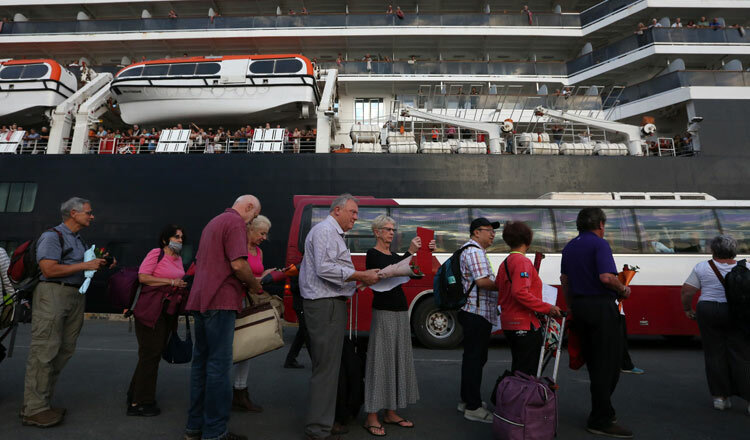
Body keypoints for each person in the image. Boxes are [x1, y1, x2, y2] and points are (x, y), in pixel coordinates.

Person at [21, 197, 114, 427]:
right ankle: (33, 409)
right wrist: (85, 266)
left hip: (73, 295)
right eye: (89, 213)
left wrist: (100, 263)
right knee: (44, 350)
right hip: (53, 294)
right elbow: (48, 269)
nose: (92, 216)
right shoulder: (53, 236)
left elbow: (78, 265)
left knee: (64, 350)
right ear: (74, 213)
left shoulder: (78, 240)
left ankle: (43, 402)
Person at [299, 194, 380, 440]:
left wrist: (358, 281)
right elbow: (325, 269)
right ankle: (318, 428)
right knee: (326, 369)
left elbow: (329, 270)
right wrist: (360, 276)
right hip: (325, 306)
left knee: (330, 368)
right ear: (337, 210)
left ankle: (325, 422)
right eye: (353, 212)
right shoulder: (325, 232)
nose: (357, 217)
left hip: (329, 304)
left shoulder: (331, 233)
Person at [184, 195, 263, 440]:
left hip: (200, 299)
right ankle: (215, 431)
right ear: (248, 207)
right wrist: (254, 286)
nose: (254, 221)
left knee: (200, 367)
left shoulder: (214, 222)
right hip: (221, 300)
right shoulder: (236, 223)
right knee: (219, 368)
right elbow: (239, 265)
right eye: (255, 215)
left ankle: (194, 427)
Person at [560, 208, 632, 438]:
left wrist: (572, 306)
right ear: (601, 225)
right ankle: (600, 418)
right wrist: (624, 289)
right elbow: (606, 277)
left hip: (580, 308)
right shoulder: (600, 244)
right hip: (600, 307)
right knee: (609, 365)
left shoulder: (570, 246)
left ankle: (604, 411)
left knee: (594, 363)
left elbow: (565, 281)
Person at [362, 215, 435, 436]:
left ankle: (390, 411)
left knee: (396, 361)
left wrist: (425, 253)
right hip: (384, 312)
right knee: (380, 362)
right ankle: (371, 416)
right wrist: (410, 253)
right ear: (377, 232)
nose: (392, 233)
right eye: (387, 229)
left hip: (401, 311)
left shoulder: (394, 255)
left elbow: (414, 272)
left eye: (393, 229)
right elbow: (388, 272)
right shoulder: (372, 254)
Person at [681, 235, 750, 414]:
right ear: (734, 250)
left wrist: (687, 309)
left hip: (708, 310)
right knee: (742, 354)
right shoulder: (746, 267)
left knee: (714, 353)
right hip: (736, 312)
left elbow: (687, 291)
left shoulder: (702, 267)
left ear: (713, 250)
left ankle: (720, 398)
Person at [127, 224, 188, 416]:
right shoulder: (156, 253)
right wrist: (170, 282)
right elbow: (143, 277)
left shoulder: (177, 259)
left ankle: (134, 395)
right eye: (176, 237)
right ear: (165, 240)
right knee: (150, 354)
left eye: (181, 238)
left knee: (152, 353)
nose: (180, 240)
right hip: (150, 310)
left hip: (167, 311)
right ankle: (140, 403)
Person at [495, 222, 561, 375]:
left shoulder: (505, 263)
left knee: (519, 367)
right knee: (527, 371)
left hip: (509, 323)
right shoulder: (522, 262)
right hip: (524, 323)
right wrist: (548, 308)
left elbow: (499, 285)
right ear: (528, 240)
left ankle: (514, 397)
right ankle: (522, 398)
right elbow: (520, 292)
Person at [457, 218, 500, 423]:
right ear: (476, 233)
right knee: (475, 359)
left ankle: (467, 400)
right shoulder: (474, 251)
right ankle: (473, 407)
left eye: (493, 231)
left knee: (473, 358)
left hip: (475, 312)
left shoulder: (473, 250)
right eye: (488, 230)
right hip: (477, 313)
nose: (492, 234)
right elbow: (482, 282)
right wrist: (506, 285)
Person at [231, 216, 275, 413]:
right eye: (262, 233)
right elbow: (236, 272)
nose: (264, 237)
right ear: (250, 230)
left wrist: (265, 276)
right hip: (232, 301)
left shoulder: (258, 251)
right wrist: (259, 278)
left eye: (266, 234)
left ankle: (240, 391)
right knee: (228, 348)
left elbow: (254, 276)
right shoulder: (237, 248)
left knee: (246, 348)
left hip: (248, 301)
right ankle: (224, 393)